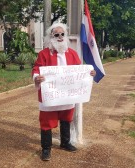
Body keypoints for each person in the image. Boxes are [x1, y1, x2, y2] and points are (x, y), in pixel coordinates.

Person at [31, 22, 96, 161]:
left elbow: (80, 70)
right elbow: (36, 69)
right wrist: (37, 78)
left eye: (62, 34)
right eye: (57, 35)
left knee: (66, 119)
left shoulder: (72, 53)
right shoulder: (43, 54)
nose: (60, 37)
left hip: (67, 96)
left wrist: (89, 73)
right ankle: (46, 148)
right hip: (51, 96)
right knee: (47, 122)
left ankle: (65, 142)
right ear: (51, 37)